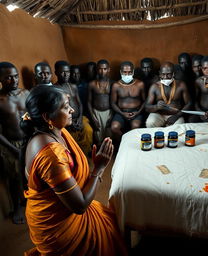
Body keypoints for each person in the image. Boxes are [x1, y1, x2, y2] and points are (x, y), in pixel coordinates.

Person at [20, 85, 128, 256]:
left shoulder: (56, 131)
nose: (72, 110)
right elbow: (80, 206)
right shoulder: (51, 156)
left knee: (109, 220)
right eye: (65, 106)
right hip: (58, 228)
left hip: (65, 210)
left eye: (69, 104)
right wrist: (98, 169)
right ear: (47, 117)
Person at [0, 62, 29, 224]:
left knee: (33, 173)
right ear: (1, 80)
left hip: (29, 139)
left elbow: (33, 116)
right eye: (8, 77)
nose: (14, 80)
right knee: (15, 178)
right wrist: (13, 149)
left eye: (16, 76)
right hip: (10, 144)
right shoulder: (0, 100)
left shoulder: (25, 93)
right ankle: (17, 207)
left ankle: (30, 199)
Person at [54, 60, 93, 155]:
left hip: (78, 118)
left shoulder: (73, 86)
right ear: (56, 73)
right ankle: (78, 157)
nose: (66, 74)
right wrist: (69, 123)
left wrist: (79, 119)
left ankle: (86, 154)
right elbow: (58, 110)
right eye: (62, 72)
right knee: (71, 139)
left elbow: (79, 104)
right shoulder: (55, 89)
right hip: (66, 121)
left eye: (67, 72)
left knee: (88, 130)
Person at [145, 61, 191, 127]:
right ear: (160, 74)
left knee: (179, 127)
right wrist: (156, 106)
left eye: (168, 74)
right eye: (163, 74)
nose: (165, 77)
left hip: (176, 115)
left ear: (173, 74)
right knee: (150, 122)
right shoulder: (154, 86)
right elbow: (147, 107)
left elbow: (189, 103)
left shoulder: (181, 85)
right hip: (159, 115)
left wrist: (177, 116)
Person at [111, 61, 146, 145]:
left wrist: (137, 112)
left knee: (135, 127)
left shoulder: (140, 84)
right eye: (124, 72)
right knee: (114, 128)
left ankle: (131, 145)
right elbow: (113, 103)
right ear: (120, 72)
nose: (127, 75)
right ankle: (125, 144)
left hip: (136, 112)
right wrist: (122, 113)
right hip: (121, 112)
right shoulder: (116, 85)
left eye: (129, 72)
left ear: (133, 72)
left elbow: (145, 101)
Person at [88, 59, 113, 147]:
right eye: (100, 69)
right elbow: (89, 102)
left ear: (108, 69)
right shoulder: (92, 84)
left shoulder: (112, 83)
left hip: (109, 112)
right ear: (97, 70)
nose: (102, 71)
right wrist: (93, 117)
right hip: (96, 112)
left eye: (105, 69)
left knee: (109, 134)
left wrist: (111, 116)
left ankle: (109, 153)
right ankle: (99, 155)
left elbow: (114, 102)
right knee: (98, 135)